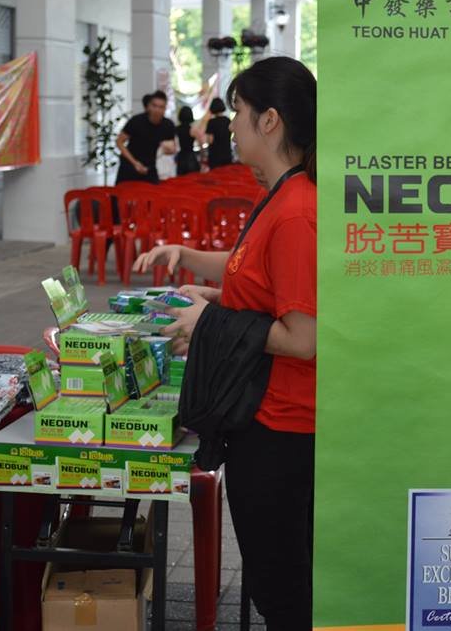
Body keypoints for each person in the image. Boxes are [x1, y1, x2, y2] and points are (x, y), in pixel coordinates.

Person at [133, 56, 316, 630]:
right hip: (262, 417)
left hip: (283, 428)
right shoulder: (279, 194)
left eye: (237, 111)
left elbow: (302, 338)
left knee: (283, 586)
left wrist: (208, 322)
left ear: (270, 120)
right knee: (273, 578)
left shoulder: (297, 211)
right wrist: (199, 277)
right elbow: (253, 276)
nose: (228, 124)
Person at [115, 90, 177, 184]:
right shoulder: (136, 121)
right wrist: (135, 163)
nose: (157, 110)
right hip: (130, 165)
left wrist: (168, 148)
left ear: (165, 109)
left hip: (150, 168)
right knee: (124, 191)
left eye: (161, 107)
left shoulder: (168, 125)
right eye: (154, 106)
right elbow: (119, 142)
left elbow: (172, 149)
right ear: (148, 106)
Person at [205, 97, 233, 169]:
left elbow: (210, 140)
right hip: (227, 154)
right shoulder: (228, 120)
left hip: (215, 156)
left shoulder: (211, 122)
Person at [175, 105, 200, 176]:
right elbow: (201, 142)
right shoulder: (193, 129)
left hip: (181, 157)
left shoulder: (176, 129)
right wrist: (202, 156)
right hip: (191, 156)